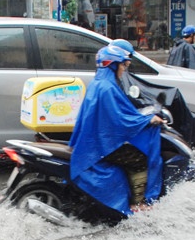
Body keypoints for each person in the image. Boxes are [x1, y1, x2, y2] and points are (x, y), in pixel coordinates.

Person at [68, 44, 165, 215]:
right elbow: (121, 119)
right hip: (102, 145)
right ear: (112, 65)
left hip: (95, 140)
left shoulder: (99, 83)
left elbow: (119, 113)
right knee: (139, 160)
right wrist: (148, 119)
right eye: (122, 65)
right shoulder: (107, 88)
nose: (123, 69)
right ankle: (139, 204)